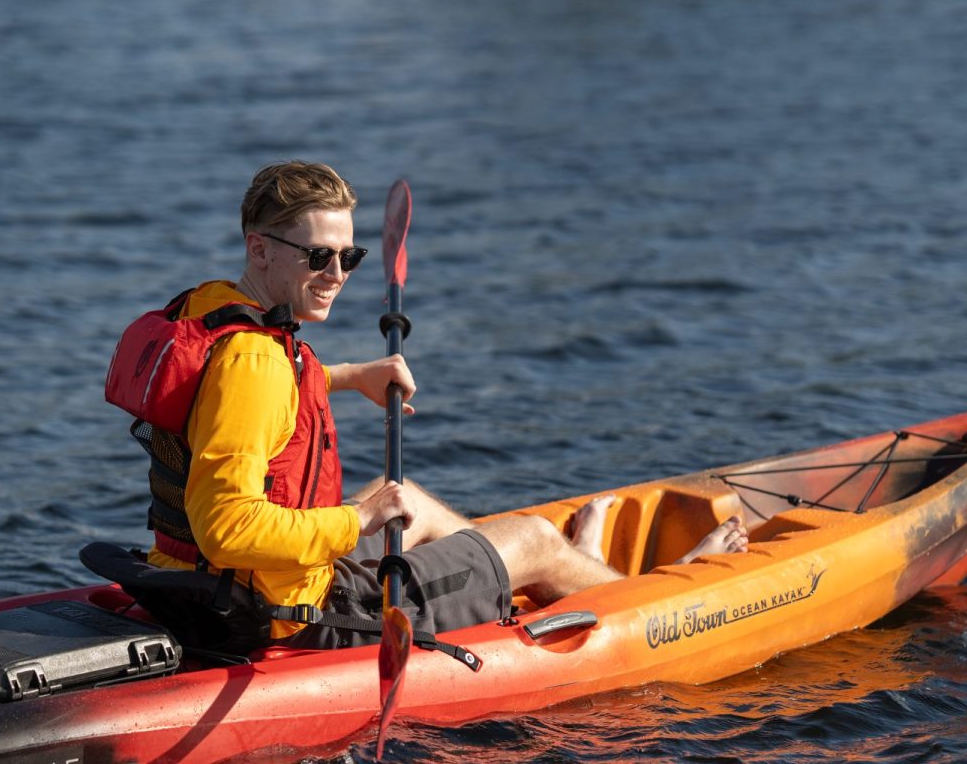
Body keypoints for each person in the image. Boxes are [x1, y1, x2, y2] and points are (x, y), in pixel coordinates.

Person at [119, 160, 747, 650]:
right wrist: (358, 522)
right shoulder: (254, 359)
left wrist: (347, 376)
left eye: (350, 256)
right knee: (530, 537)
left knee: (409, 497)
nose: (338, 273)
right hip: (289, 615)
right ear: (260, 250)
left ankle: (571, 571)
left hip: (220, 589)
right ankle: (657, 589)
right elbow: (225, 528)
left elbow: (238, 401)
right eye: (319, 256)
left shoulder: (217, 310)